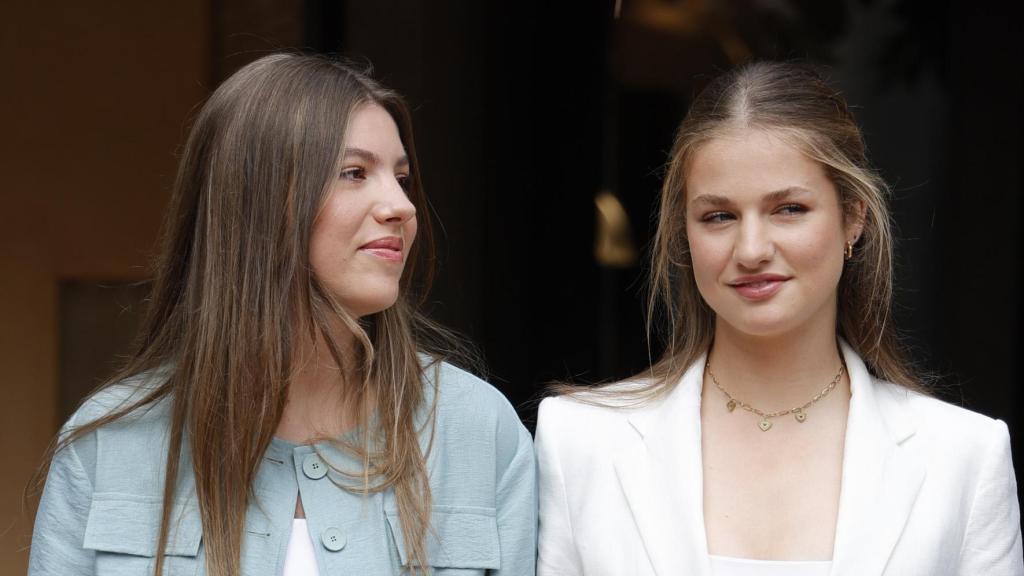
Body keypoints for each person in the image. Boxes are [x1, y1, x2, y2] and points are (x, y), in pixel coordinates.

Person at [29, 53, 536, 576]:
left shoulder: (476, 428)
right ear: (260, 201)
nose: (401, 206)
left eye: (401, 178)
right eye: (354, 173)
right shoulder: (108, 444)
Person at [536, 61, 1022, 575]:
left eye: (788, 209)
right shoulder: (580, 442)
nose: (751, 250)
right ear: (685, 232)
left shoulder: (963, 457)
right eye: (718, 216)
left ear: (853, 217)